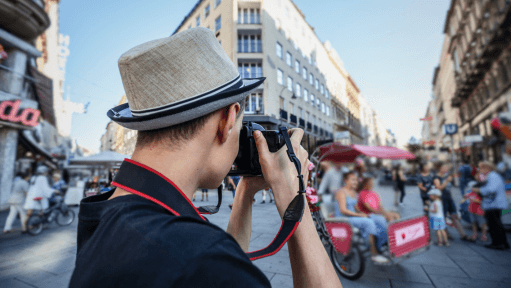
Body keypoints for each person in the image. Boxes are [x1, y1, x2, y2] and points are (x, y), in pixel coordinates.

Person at [69, 28, 341, 287]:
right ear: (228, 119)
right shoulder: (200, 260)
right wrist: (293, 194)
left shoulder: (102, 212)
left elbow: (222, 261)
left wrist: (245, 191)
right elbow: (214, 264)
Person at [335, 172, 390, 264]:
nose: (355, 182)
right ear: (346, 181)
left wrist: (364, 214)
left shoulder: (353, 192)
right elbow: (343, 210)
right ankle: (374, 253)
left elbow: (356, 208)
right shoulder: (341, 192)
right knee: (368, 222)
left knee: (379, 219)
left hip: (353, 216)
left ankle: (380, 245)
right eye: (352, 179)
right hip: (344, 219)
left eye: (356, 180)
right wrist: (360, 215)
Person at [471, 161, 510, 250]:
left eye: (481, 168)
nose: (479, 170)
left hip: (494, 204)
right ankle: (500, 242)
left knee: (494, 224)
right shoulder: (492, 176)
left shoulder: (493, 176)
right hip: (492, 203)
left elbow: (491, 189)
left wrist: (479, 190)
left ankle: (498, 243)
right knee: (495, 223)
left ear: (487, 168)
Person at [432, 162, 471, 241]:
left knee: (455, 216)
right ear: (439, 168)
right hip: (442, 199)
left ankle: (463, 235)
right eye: (444, 167)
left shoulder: (447, 176)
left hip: (449, 199)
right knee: (443, 217)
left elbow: (448, 188)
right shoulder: (436, 177)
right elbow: (439, 188)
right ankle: (446, 233)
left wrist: (453, 178)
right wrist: (446, 181)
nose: (446, 169)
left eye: (446, 167)